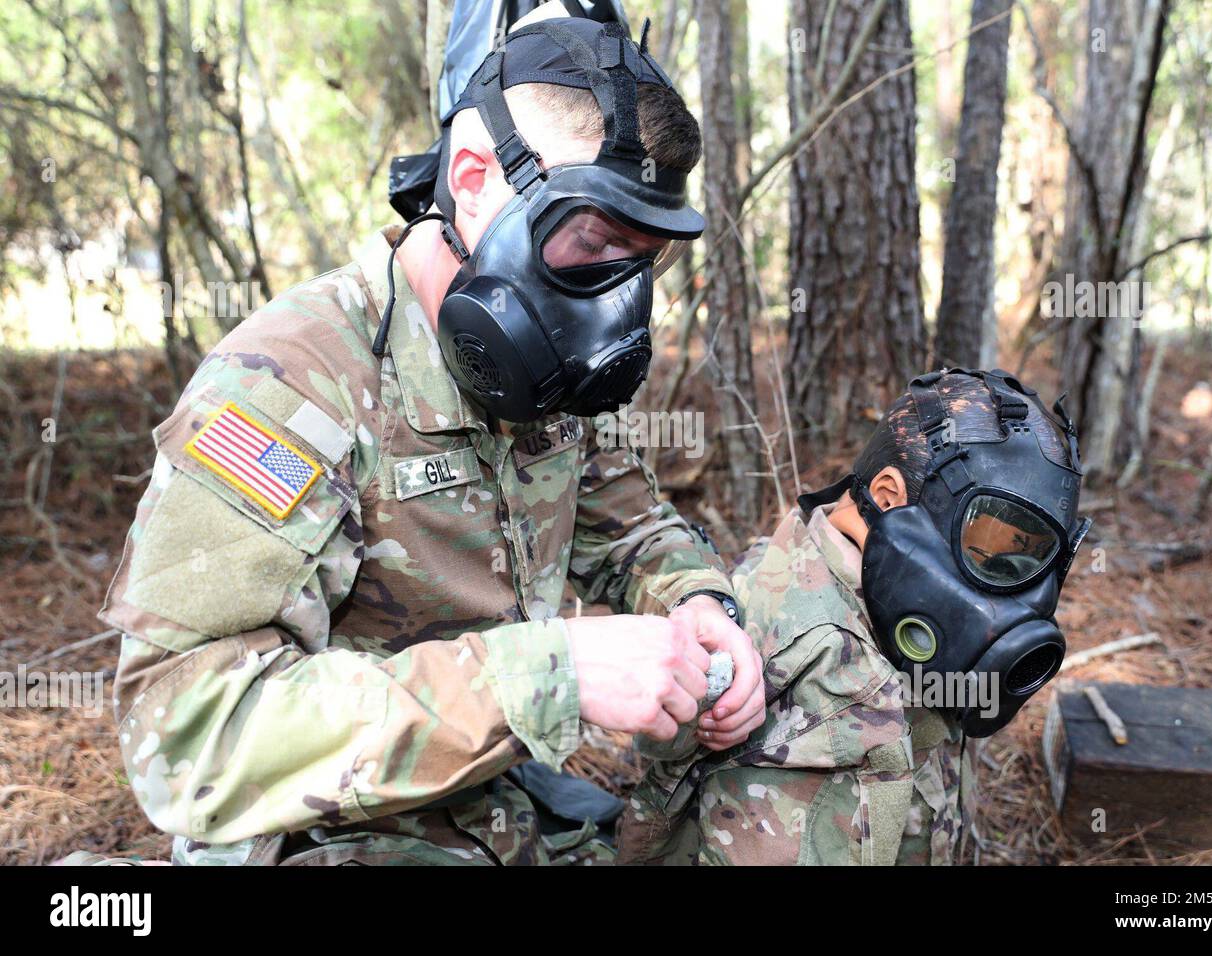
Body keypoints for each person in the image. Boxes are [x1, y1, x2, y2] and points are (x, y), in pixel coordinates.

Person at [96, 15, 764, 866]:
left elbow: (629, 529)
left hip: (509, 808)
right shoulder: (289, 385)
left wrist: (702, 605)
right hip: (338, 833)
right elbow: (188, 737)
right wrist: (547, 676)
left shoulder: (548, 365)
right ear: (477, 179)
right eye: (592, 243)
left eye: (644, 262)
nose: (615, 301)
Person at [618, 369, 1091, 865]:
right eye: (987, 549)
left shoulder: (906, 615)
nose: (1017, 597)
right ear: (888, 498)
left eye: (1031, 559)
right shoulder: (769, 643)